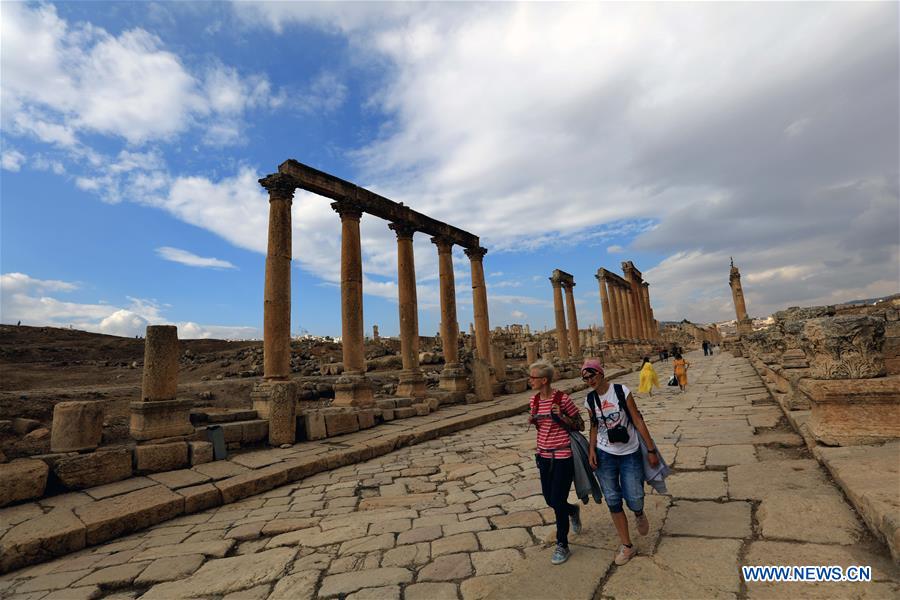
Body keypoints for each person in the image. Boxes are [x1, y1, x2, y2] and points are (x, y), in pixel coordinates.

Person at [582, 358, 660, 566]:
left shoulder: (621, 391)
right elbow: (593, 426)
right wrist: (591, 450)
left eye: (592, 375)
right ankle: (627, 546)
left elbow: (637, 419)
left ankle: (638, 511)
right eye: (585, 378)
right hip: (604, 453)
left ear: (601, 373)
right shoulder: (589, 401)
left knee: (634, 496)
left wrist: (651, 449)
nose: (589, 380)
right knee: (613, 499)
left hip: (629, 451)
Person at [527, 360, 584, 565]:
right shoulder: (533, 401)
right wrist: (534, 421)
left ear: (544, 380)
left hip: (562, 456)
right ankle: (573, 511)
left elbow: (580, 424)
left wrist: (561, 416)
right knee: (550, 500)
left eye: (532, 377)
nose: (529, 380)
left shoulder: (563, 399)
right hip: (543, 456)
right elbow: (542, 428)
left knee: (557, 501)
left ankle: (562, 544)